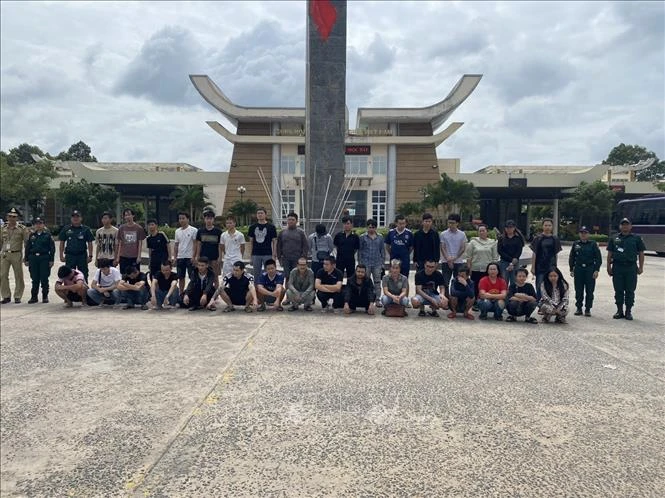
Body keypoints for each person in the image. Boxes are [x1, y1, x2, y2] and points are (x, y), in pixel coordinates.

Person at [607, 217, 645, 321]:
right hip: (617, 267)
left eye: (627, 224)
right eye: (623, 224)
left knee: (630, 290)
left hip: (631, 267)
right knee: (618, 289)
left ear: (630, 226)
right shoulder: (614, 238)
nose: (625, 226)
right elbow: (610, 253)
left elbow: (641, 253)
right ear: (620, 226)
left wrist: (641, 267)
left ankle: (628, 311)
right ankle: (619, 311)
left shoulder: (636, 238)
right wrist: (608, 267)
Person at [569, 226, 602, 317]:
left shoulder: (593, 244)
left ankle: (588, 309)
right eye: (581, 233)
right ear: (579, 234)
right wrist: (571, 269)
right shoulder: (576, 244)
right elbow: (572, 257)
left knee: (590, 290)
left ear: (588, 234)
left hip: (589, 269)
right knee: (578, 289)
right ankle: (579, 308)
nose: (583, 235)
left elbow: (598, 258)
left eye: (585, 233)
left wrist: (596, 270)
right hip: (579, 269)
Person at [277, 212, 309, 302]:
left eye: (292, 220)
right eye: (289, 219)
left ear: (296, 221)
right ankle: (288, 298)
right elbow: (278, 246)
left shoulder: (301, 232)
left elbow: (305, 246)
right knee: (287, 278)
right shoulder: (282, 232)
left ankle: (297, 297)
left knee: (296, 278)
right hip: (286, 259)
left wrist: (303, 258)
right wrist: (279, 258)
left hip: (297, 260)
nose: (290, 221)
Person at [23, 217, 55, 303]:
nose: (38, 225)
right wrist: (26, 259)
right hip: (33, 258)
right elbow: (28, 248)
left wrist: (51, 260)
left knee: (44, 278)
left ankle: (45, 296)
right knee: (34, 278)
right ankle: (34, 297)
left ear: (43, 225)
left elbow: (52, 248)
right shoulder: (32, 235)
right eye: (36, 223)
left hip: (44, 258)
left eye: (40, 223)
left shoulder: (47, 235)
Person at [58, 210, 94, 283]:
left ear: (81, 218)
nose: (75, 218)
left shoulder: (86, 229)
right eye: (73, 217)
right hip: (70, 256)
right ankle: (70, 292)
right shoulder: (66, 229)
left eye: (77, 216)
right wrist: (61, 255)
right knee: (68, 274)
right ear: (71, 218)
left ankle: (84, 292)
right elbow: (62, 242)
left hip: (82, 255)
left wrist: (90, 255)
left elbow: (90, 242)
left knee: (84, 274)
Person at [530, 218, 562, 299]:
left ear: (552, 227)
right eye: (546, 225)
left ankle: (550, 304)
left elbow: (556, 254)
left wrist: (555, 266)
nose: (547, 227)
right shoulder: (538, 238)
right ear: (542, 226)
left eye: (549, 225)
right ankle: (540, 305)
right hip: (540, 266)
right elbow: (534, 253)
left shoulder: (555, 239)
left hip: (551, 267)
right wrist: (533, 267)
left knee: (551, 286)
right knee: (540, 286)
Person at [465, 224, 498, 301]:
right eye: (480, 231)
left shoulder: (492, 242)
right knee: (476, 286)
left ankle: (486, 303)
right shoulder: (473, 242)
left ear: (487, 232)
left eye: (483, 231)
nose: (482, 232)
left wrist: (494, 270)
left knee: (486, 286)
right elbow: (468, 257)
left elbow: (495, 258)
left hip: (488, 270)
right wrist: (469, 269)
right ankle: (475, 302)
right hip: (475, 269)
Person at [358, 218, 385, 307]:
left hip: (377, 263)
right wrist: (360, 263)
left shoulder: (380, 237)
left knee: (377, 282)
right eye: (369, 227)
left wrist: (382, 264)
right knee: (365, 281)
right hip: (366, 264)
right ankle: (366, 298)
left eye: (373, 227)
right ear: (367, 227)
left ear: (375, 228)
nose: (371, 229)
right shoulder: (362, 237)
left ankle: (377, 299)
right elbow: (360, 251)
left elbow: (382, 251)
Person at [440, 213, 468, 291]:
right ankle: (446, 300)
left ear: (457, 223)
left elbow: (462, 248)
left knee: (458, 282)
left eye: (453, 223)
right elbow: (442, 248)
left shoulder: (462, 234)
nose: (450, 225)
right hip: (446, 261)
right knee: (445, 282)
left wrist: (454, 259)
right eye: (449, 223)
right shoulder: (443, 234)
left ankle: (456, 299)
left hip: (458, 262)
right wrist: (448, 259)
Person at [248, 207, 277, 279]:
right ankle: (257, 289)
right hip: (256, 254)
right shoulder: (252, 227)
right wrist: (250, 255)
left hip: (267, 253)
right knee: (256, 274)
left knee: (268, 273)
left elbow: (274, 241)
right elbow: (251, 242)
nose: (260, 215)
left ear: (265, 215)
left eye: (261, 213)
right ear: (256, 215)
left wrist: (274, 255)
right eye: (258, 213)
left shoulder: (271, 227)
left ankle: (266, 289)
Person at [115, 208, 146, 275]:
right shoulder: (121, 228)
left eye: (129, 215)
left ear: (133, 215)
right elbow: (120, 243)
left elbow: (140, 243)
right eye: (125, 215)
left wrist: (139, 256)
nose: (127, 217)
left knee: (135, 275)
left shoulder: (139, 228)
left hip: (134, 256)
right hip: (123, 256)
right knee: (123, 275)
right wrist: (118, 257)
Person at [173, 212, 198, 295]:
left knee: (192, 277)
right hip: (180, 257)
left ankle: (192, 293)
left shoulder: (194, 230)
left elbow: (195, 244)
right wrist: (175, 257)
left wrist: (194, 257)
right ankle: (181, 294)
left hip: (190, 257)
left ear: (188, 219)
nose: (181, 220)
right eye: (180, 218)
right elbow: (176, 245)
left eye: (183, 218)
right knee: (180, 277)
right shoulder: (177, 231)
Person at [194, 209, 223, 279]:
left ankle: (215, 290)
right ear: (204, 219)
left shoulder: (218, 231)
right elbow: (199, 244)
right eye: (207, 218)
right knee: (203, 276)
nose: (209, 220)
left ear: (213, 219)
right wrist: (197, 256)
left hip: (214, 257)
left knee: (215, 276)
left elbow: (220, 245)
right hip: (203, 257)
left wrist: (220, 257)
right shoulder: (200, 231)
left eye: (210, 218)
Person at [497, 220, 524, 286]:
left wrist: (514, 261)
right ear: (505, 228)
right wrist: (510, 260)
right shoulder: (501, 238)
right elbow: (500, 251)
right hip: (504, 262)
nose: (509, 229)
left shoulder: (518, 238)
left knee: (514, 281)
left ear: (514, 228)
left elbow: (519, 250)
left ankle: (513, 295)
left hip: (515, 262)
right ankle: (504, 295)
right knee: (504, 281)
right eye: (507, 227)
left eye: (511, 227)